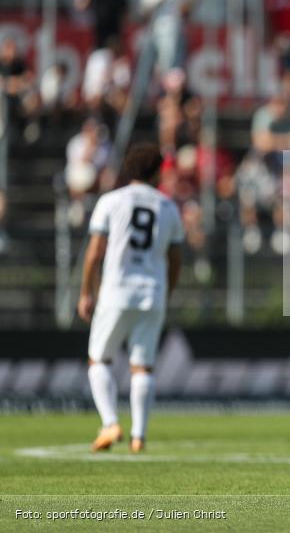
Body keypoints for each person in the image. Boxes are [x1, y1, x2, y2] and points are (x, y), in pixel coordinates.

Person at [77, 144, 184, 453]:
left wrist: (86, 292)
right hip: (153, 292)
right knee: (143, 367)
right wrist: (168, 291)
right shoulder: (168, 207)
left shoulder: (110, 201)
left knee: (99, 359)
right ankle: (139, 436)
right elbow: (175, 260)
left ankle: (110, 423)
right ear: (157, 173)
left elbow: (95, 252)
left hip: (116, 290)